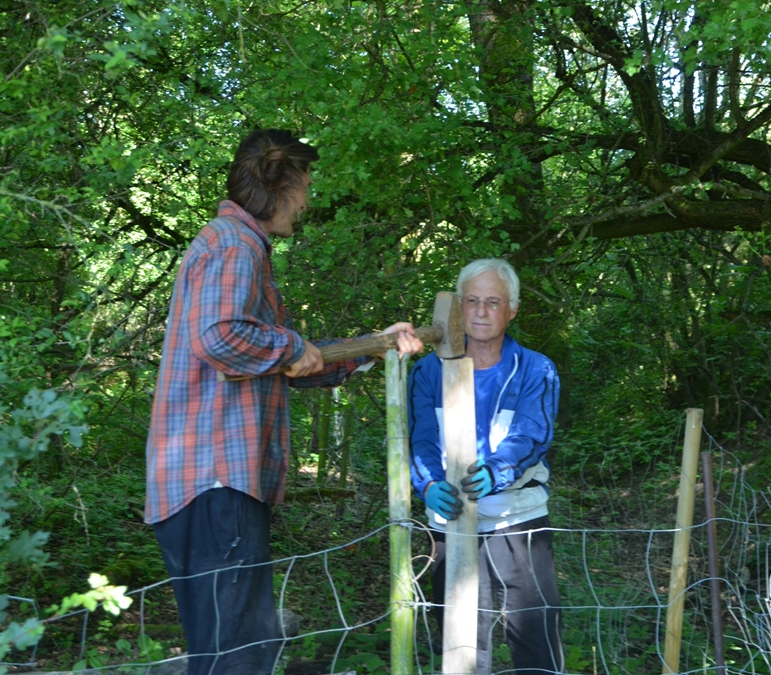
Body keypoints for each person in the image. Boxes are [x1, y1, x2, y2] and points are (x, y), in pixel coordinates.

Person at [145, 128, 422, 675]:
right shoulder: (235, 243)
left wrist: (376, 346)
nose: (308, 200)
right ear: (283, 182)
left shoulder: (234, 246)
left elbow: (283, 361)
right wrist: (294, 346)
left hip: (207, 486)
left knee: (224, 653)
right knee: (240, 657)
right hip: (215, 482)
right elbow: (221, 337)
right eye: (307, 184)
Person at [408, 258, 563, 674]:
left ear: (512, 309)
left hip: (518, 517)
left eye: (492, 302)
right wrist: (427, 485)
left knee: (534, 635)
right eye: (472, 300)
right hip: (450, 518)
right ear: (458, 305)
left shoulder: (536, 369)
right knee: (459, 641)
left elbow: (531, 435)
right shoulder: (426, 371)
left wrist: (497, 471)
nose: (480, 311)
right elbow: (419, 439)